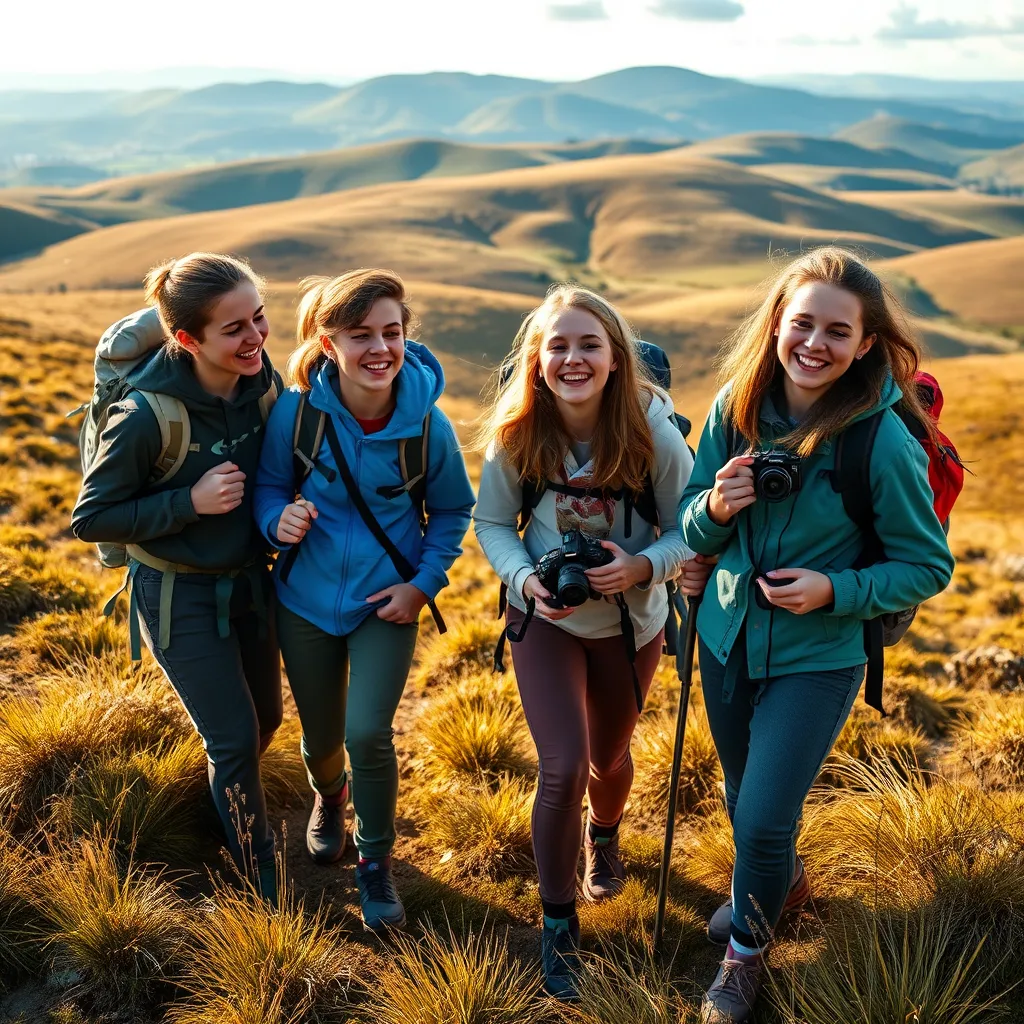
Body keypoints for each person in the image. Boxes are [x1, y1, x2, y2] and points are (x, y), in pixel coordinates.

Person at [678, 247, 955, 1024]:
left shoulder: (881, 440)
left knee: (763, 815)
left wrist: (835, 590)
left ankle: (744, 959)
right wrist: (718, 510)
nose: (815, 344)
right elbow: (692, 515)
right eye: (801, 323)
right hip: (728, 639)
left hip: (821, 655)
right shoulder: (734, 403)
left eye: (838, 331)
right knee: (741, 799)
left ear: (866, 344)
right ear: (776, 324)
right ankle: (784, 882)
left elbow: (927, 566)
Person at [473, 284, 710, 1001]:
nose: (572, 359)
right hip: (546, 621)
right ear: (537, 360)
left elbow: (690, 530)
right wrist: (524, 582)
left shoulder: (654, 436)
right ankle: (557, 921)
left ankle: (603, 837)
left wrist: (638, 568)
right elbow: (490, 526)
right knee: (563, 765)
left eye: (588, 345)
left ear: (614, 359)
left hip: (632, 625)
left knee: (608, 757)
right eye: (558, 346)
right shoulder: (516, 434)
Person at [253, 269, 474, 933]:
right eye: (361, 335)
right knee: (322, 738)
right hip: (304, 600)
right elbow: (269, 486)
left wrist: (421, 586)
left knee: (368, 733)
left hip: (387, 603)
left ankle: (374, 860)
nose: (380, 348)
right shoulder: (297, 413)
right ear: (327, 343)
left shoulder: (428, 426)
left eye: (392, 332)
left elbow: (454, 511)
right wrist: (276, 523)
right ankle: (330, 796)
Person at [72, 253, 285, 903]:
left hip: (251, 584)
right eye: (235, 329)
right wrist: (188, 503)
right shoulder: (145, 414)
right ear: (187, 339)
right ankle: (263, 884)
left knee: (265, 722)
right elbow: (93, 517)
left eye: (259, 317)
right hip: (176, 595)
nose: (255, 338)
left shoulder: (261, 382)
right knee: (233, 738)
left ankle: (218, 811)